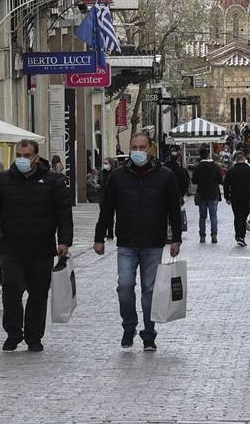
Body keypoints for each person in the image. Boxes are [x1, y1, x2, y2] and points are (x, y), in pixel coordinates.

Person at [0, 139, 73, 352]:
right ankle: (13, 333)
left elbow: (64, 214)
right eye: (19, 155)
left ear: (36, 158)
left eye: (26, 156)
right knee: (11, 290)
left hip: (42, 248)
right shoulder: (3, 181)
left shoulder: (53, 181)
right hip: (11, 248)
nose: (22, 159)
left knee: (38, 295)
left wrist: (65, 241)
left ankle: (34, 336)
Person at [93, 133, 183, 351]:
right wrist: (99, 237)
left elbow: (174, 208)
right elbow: (107, 208)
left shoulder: (165, 175)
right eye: (134, 147)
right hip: (126, 241)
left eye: (142, 147)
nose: (138, 151)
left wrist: (176, 239)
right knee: (124, 286)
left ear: (150, 149)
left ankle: (149, 334)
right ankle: (129, 325)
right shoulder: (118, 176)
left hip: (153, 242)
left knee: (149, 290)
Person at [224, 152, 250, 247]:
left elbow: (226, 185)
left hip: (235, 197)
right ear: (244, 159)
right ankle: (240, 236)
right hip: (247, 197)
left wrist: (227, 197)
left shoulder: (231, 171)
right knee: (243, 216)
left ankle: (238, 235)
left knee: (237, 216)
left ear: (236, 160)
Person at [192, 147, 223, 243]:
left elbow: (194, 181)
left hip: (202, 194)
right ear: (208, 155)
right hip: (213, 194)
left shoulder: (198, 167)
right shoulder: (216, 167)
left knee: (202, 217)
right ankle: (214, 235)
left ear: (200, 156)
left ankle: (202, 236)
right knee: (213, 216)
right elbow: (220, 180)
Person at [98, 158, 115, 240]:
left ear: (111, 164)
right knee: (102, 216)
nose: (105, 165)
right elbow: (99, 182)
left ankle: (110, 234)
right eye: (104, 163)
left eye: (106, 163)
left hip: (111, 198)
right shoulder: (101, 173)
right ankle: (103, 233)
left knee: (110, 217)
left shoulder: (114, 173)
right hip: (102, 197)